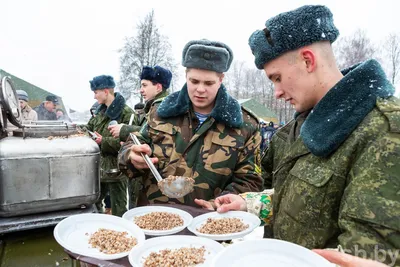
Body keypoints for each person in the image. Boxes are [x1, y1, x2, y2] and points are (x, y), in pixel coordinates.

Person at [196, 5, 399, 266]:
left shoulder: (383, 131)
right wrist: (250, 205)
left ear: (307, 60)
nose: (277, 92)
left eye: (277, 78)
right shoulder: (301, 126)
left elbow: (370, 253)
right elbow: (303, 199)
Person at [118, 39, 263, 207]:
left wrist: (220, 203)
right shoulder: (161, 111)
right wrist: (130, 156)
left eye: (208, 83)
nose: (200, 89)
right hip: (155, 219)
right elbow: (133, 145)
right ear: (186, 75)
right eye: (194, 81)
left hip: (209, 223)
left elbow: (250, 181)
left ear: (221, 79)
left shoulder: (245, 125)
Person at [82, 75, 134, 216]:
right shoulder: (100, 113)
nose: (94, 97)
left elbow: (131, 143)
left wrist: (103, 141)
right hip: (100, 170)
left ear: (105, 91)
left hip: (118, 171)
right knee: (93, 203)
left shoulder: (126, 113)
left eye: (96, 92)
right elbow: (88, 129)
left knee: (119, 209)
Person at [108, 65, 172, 142]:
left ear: (158, 87)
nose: (141, 90)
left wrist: (124, 130)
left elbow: (154, 134)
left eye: (144, 85)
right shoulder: (154, 106)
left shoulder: (162, 107)